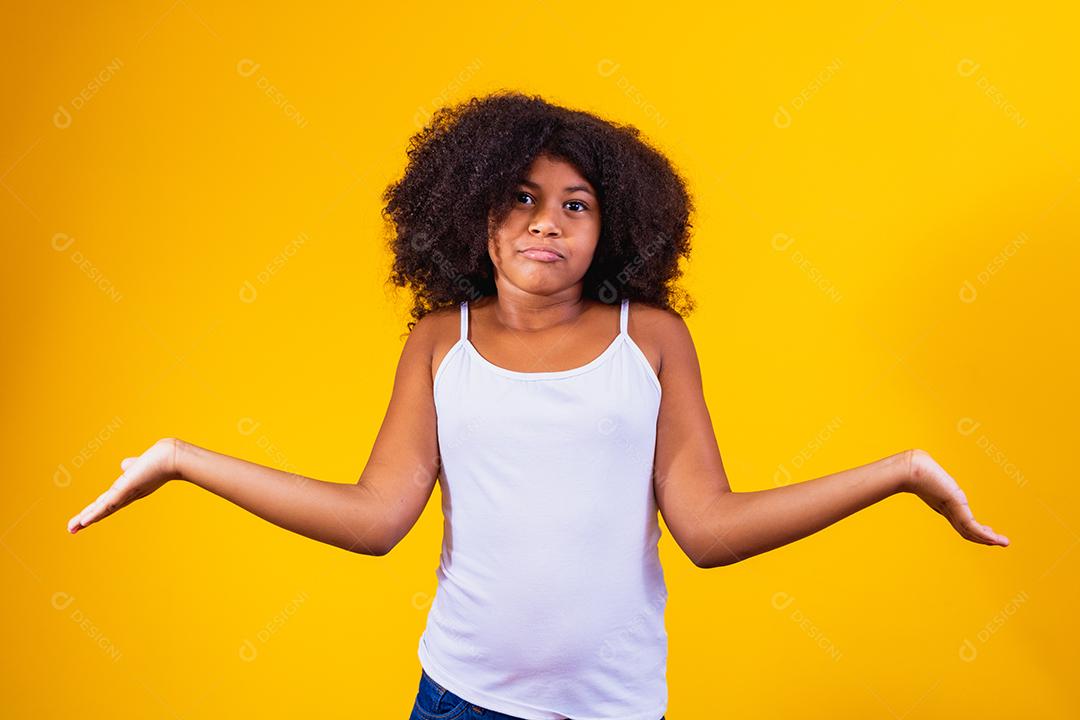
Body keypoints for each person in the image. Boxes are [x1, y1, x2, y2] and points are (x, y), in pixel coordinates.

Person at [67, 90, 1010, 720]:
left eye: (576, 204)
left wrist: (901, 474)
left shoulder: (652, 339)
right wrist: (184, 461)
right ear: (477, 212)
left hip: (618, 706)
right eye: (520, 197)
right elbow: (375, 518)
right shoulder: (443, 340)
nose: (545, 222)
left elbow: (710, 528)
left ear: (615, 226)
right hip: (462, 699)